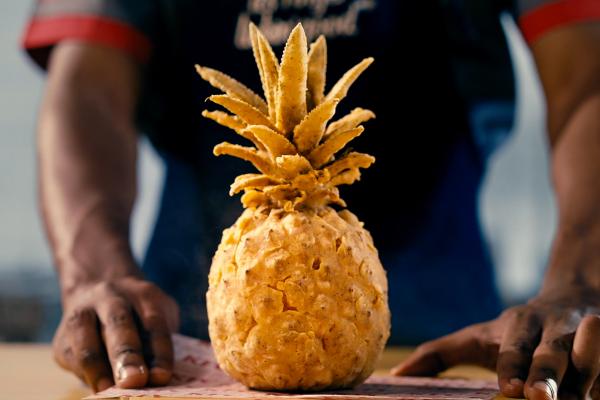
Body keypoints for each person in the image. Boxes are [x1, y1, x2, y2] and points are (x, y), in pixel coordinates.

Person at [21, 0, 600, 398]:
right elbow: (87, 89)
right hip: (176, 345)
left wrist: (580, 281)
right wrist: (93, 275)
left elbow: (586, 83)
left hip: (462, 337)